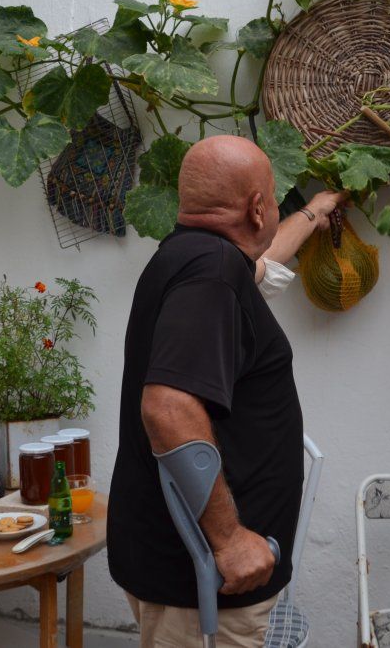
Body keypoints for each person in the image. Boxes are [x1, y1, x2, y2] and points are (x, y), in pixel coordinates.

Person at [108, 134, 343, 647]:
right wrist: (230, 539)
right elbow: (168, 407)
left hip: (188, 574)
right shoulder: (211, 276)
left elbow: (259, 265)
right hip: (204, 581)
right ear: (257, 208)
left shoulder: (193, 257)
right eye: (274, 198)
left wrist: (314, 213)